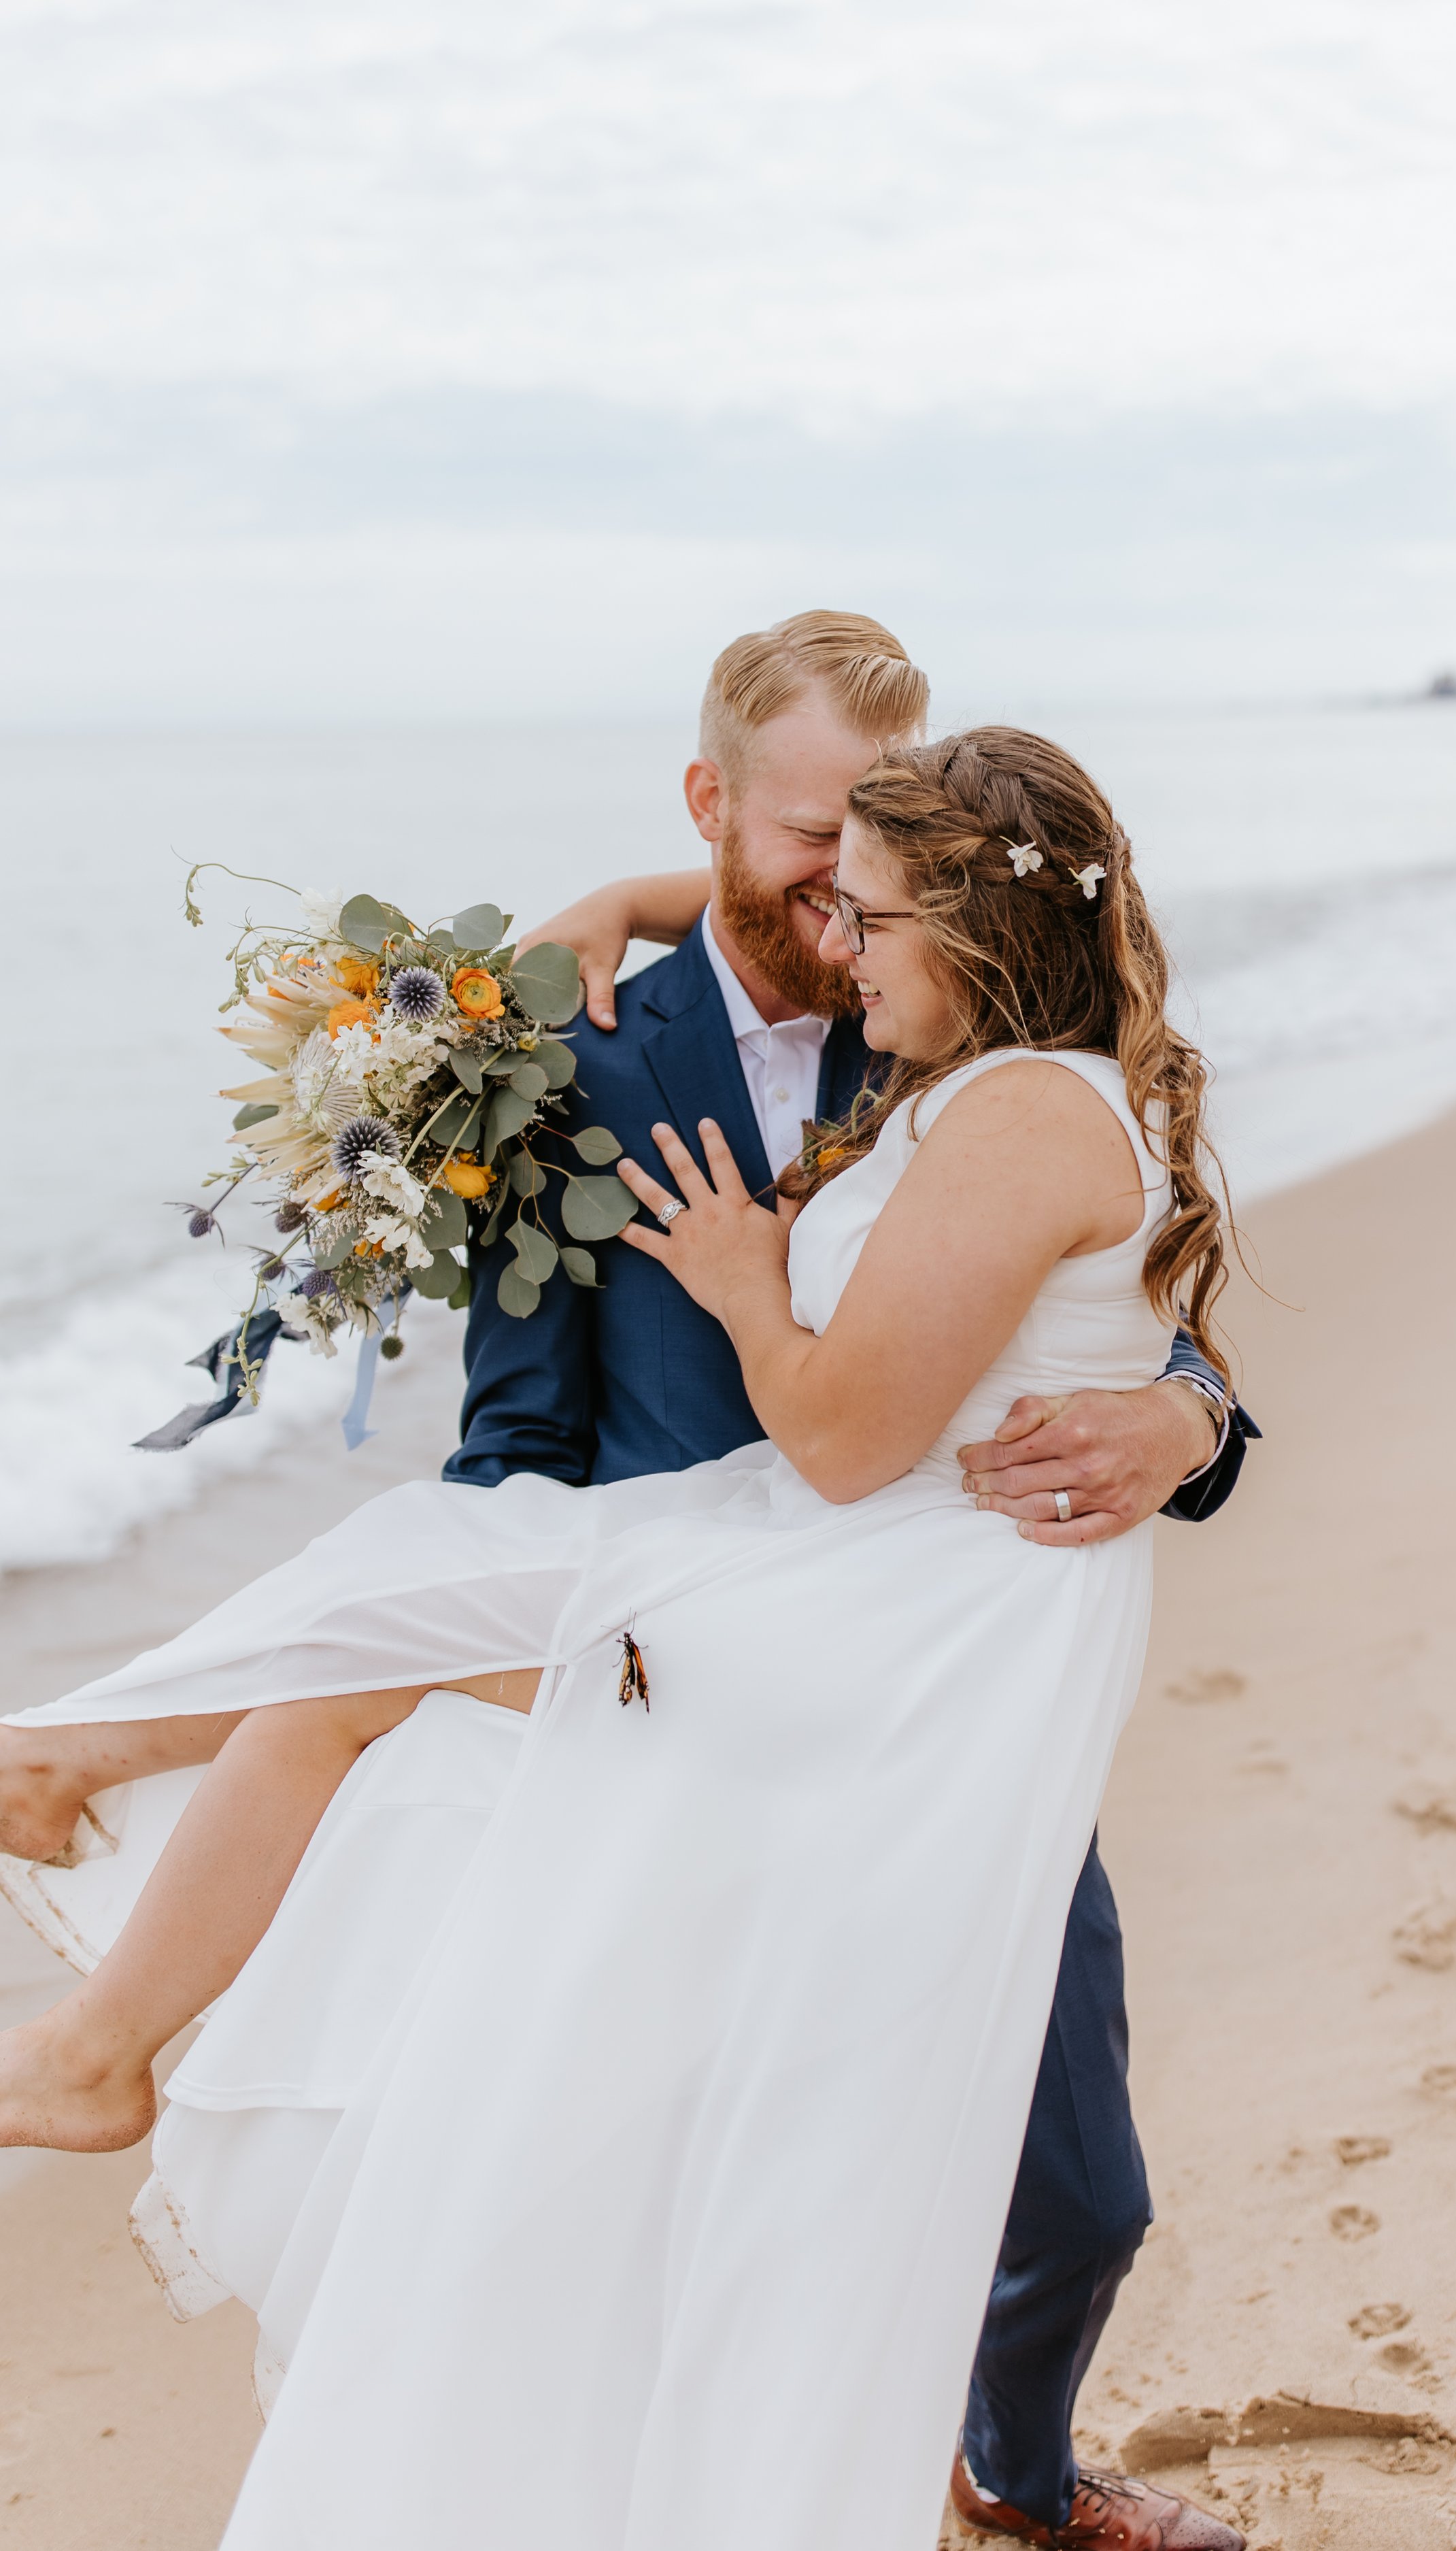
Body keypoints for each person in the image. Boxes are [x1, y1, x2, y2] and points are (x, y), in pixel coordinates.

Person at [0, 632, 1249, 2551]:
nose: (840, 912)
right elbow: (520, 1423)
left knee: (1071, 2188)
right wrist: (543, 1615)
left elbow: (1104, 1290)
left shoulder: (943, 1033)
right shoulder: (557, 1054)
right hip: (735, 1622)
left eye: (872, 859)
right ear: (712, 814)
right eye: (809, 846)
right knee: (620, 2145)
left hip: (905, 1641)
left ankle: (992, 2460)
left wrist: (1183, 1411)